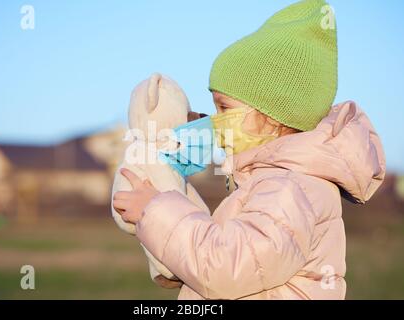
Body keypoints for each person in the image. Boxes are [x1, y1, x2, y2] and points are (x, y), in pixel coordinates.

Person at [113, 0, 386, 299]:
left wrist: (156, 211)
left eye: (224, 107)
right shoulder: (276, 183)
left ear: (272, 116)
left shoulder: (291, 190)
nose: (215, 120)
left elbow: (224, 267)